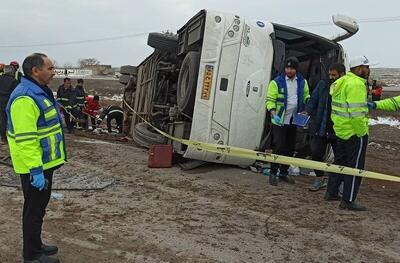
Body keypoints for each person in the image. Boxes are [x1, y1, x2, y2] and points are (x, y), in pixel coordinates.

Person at [6, 53, 64, 262]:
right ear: (35, 71)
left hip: (43, 163)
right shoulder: (25, 97)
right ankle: (31, 255)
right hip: (34, 166)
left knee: (38, 209)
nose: (53, 71)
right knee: (33, 210)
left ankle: (37, 245)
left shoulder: (39, 91)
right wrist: (36, 170)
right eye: (49, 68)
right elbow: (26, 138)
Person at [326, 55, 371, 211]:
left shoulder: (341, 82)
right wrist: (361, 133)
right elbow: (356, 113)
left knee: (339, 163)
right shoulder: (356, 84)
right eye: (367, 67)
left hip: (341, 131)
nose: (368, 70)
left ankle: (331, 192)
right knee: (355, 167)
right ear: (359, 68)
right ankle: (348, 199)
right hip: (353, 134)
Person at [266, 56, 310, 186]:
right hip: (279, 120)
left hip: (294, 119)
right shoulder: (276, 82)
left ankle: (283, 173)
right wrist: (273, 113)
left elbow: (306, 95)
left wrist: (307, 107)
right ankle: (273, 173)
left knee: (290, 148)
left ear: (296, 69)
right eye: (287, 68)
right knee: (278, 146)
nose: (289, 71)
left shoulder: (302, 82)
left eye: (291, 68)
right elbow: (269, 100)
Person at [303, 63, 345, 191]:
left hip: (338, 129)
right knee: (316, 154)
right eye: (329, 74)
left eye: (334, 75)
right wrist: (307, 111)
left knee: (341, 158)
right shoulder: (322, 85)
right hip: (321, 127)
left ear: (341, 75)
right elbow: (313, 100)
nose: (331, 77)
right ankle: (319, 179)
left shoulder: (346, 87)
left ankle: (339, 183)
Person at [0, 65, 19, 143]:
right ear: (12, 72)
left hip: (0, 101)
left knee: (2, 120)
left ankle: (3, 138)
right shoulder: (14, 81)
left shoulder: (0, 79)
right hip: (9, 101)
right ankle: (12, 137)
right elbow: (16, 93)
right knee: (12, 120)